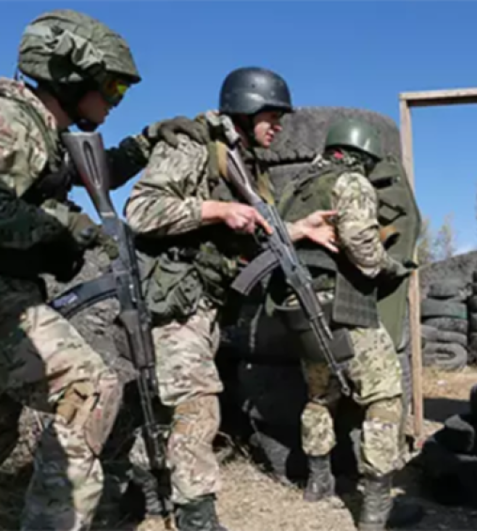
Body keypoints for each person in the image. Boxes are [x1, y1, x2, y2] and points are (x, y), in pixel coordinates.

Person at [0, 9, 209, 530]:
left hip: (15, 292)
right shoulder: (13, 119)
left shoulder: (43, 129)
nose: (116, 101)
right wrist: (63, 226)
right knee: (89, 388)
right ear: (73, 78)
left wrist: (148, 139)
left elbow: (94, 170)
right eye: (112, 87)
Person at [123, 66, 337, 530]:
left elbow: (255, 234)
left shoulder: (243, 165)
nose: (279, 127)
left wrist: (300, 230)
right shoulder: (194, 145)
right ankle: (197, 518)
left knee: (168, 408)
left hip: (202, 302)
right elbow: (141, 209)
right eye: (272, 116)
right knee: (198, 407)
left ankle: (144, 488)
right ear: (246, 107)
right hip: (174, 302)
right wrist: (217, 209)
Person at [273, 118, 415, 531]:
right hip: (343, 305)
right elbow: (360, 244)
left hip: (300, 308)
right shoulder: (351, 181)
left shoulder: (295, 188)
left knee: (321, 396)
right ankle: (376, 508)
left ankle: (318, 483)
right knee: (384, 396)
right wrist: (390, 267)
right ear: (363, 155)